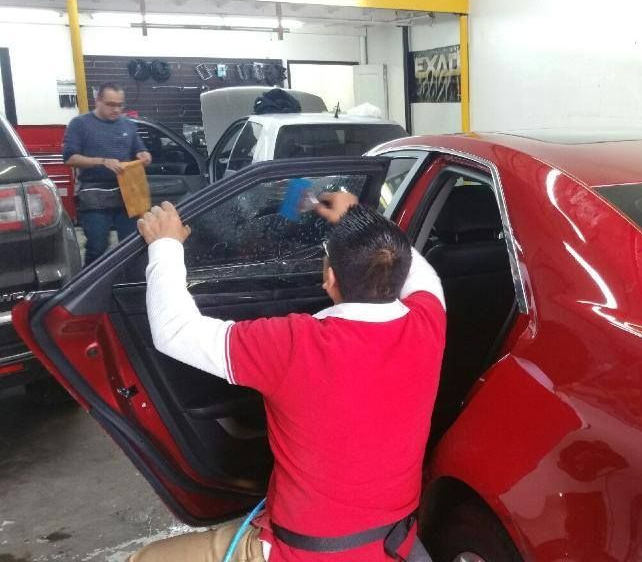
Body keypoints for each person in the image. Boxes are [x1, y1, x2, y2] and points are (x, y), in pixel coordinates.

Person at [129, 194, 445, 562]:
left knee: (146, 558)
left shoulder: (295, 345)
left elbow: (174, 330)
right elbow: (423, 274)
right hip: (395, 544)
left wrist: (165, 244)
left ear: (329, 278)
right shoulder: (429, 322)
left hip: (302, 554)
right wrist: (359, 217)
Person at [63, 82, 152, 264]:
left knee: (132, 245)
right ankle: (90, 288)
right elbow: (70, 158)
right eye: (111, 104)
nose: (117, 109)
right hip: (94, 196)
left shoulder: (128, 125)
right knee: (97, 247)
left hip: (127, 195)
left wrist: (144, 155)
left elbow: (140, 149)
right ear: (98, 101)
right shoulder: (80, 124)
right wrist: (103, 161)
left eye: (120, 105)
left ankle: (130, 286)